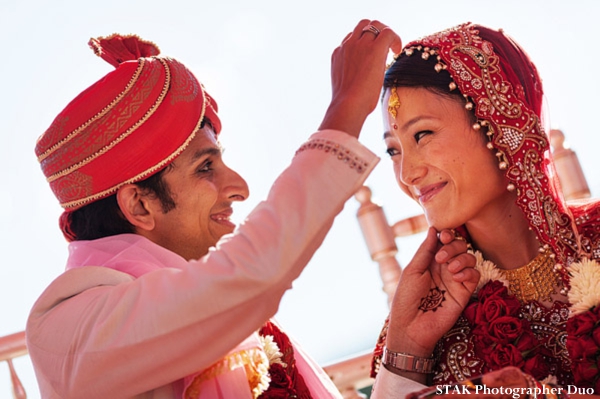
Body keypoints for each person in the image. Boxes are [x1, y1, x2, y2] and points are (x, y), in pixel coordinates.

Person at [26, 21, 402, 398]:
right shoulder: (70, 332)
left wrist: (410, 349)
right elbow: (249, 275)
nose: (239, 188)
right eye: (205, 168)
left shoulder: (214, 311)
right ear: (139, 205)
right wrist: (347, 107)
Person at [367, 22, 600, 398]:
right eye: (394, 150)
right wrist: (408, 349)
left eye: (422, 135)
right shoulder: (425, 316)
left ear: (499, 121)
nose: (408, 173)